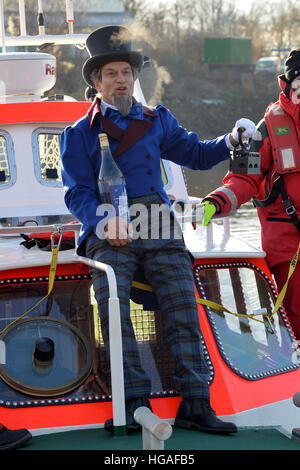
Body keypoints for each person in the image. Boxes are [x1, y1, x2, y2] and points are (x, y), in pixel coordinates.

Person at [60, 25, 255, 434]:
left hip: (158, 222)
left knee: (184, 304)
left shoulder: (157, 120)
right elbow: (76, 193)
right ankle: (133, 401)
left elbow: (197, 155)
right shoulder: (78, 133)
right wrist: (101, 220)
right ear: (97, 83)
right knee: (113, 307)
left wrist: (231, 138)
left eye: (126, 73)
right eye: (110, 74)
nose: (120, 80)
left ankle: (195, 403)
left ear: (134, 78)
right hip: (111, 224)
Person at [202, 49, 300, 340]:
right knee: (295, 322)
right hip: (289, 250)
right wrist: (215, 203)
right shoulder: (265, 131)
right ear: (289, 85)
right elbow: (242, 178)